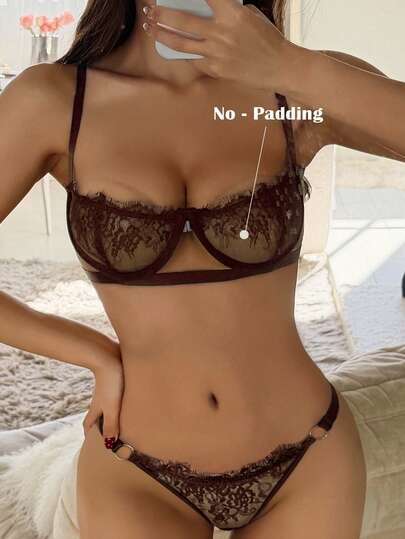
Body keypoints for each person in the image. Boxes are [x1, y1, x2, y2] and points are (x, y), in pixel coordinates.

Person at [1, 0, 404, 537]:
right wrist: (95, 355)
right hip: (136, 467)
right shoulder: (54, 100)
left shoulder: (289, 96)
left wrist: (291, 66)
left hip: (308, 452)